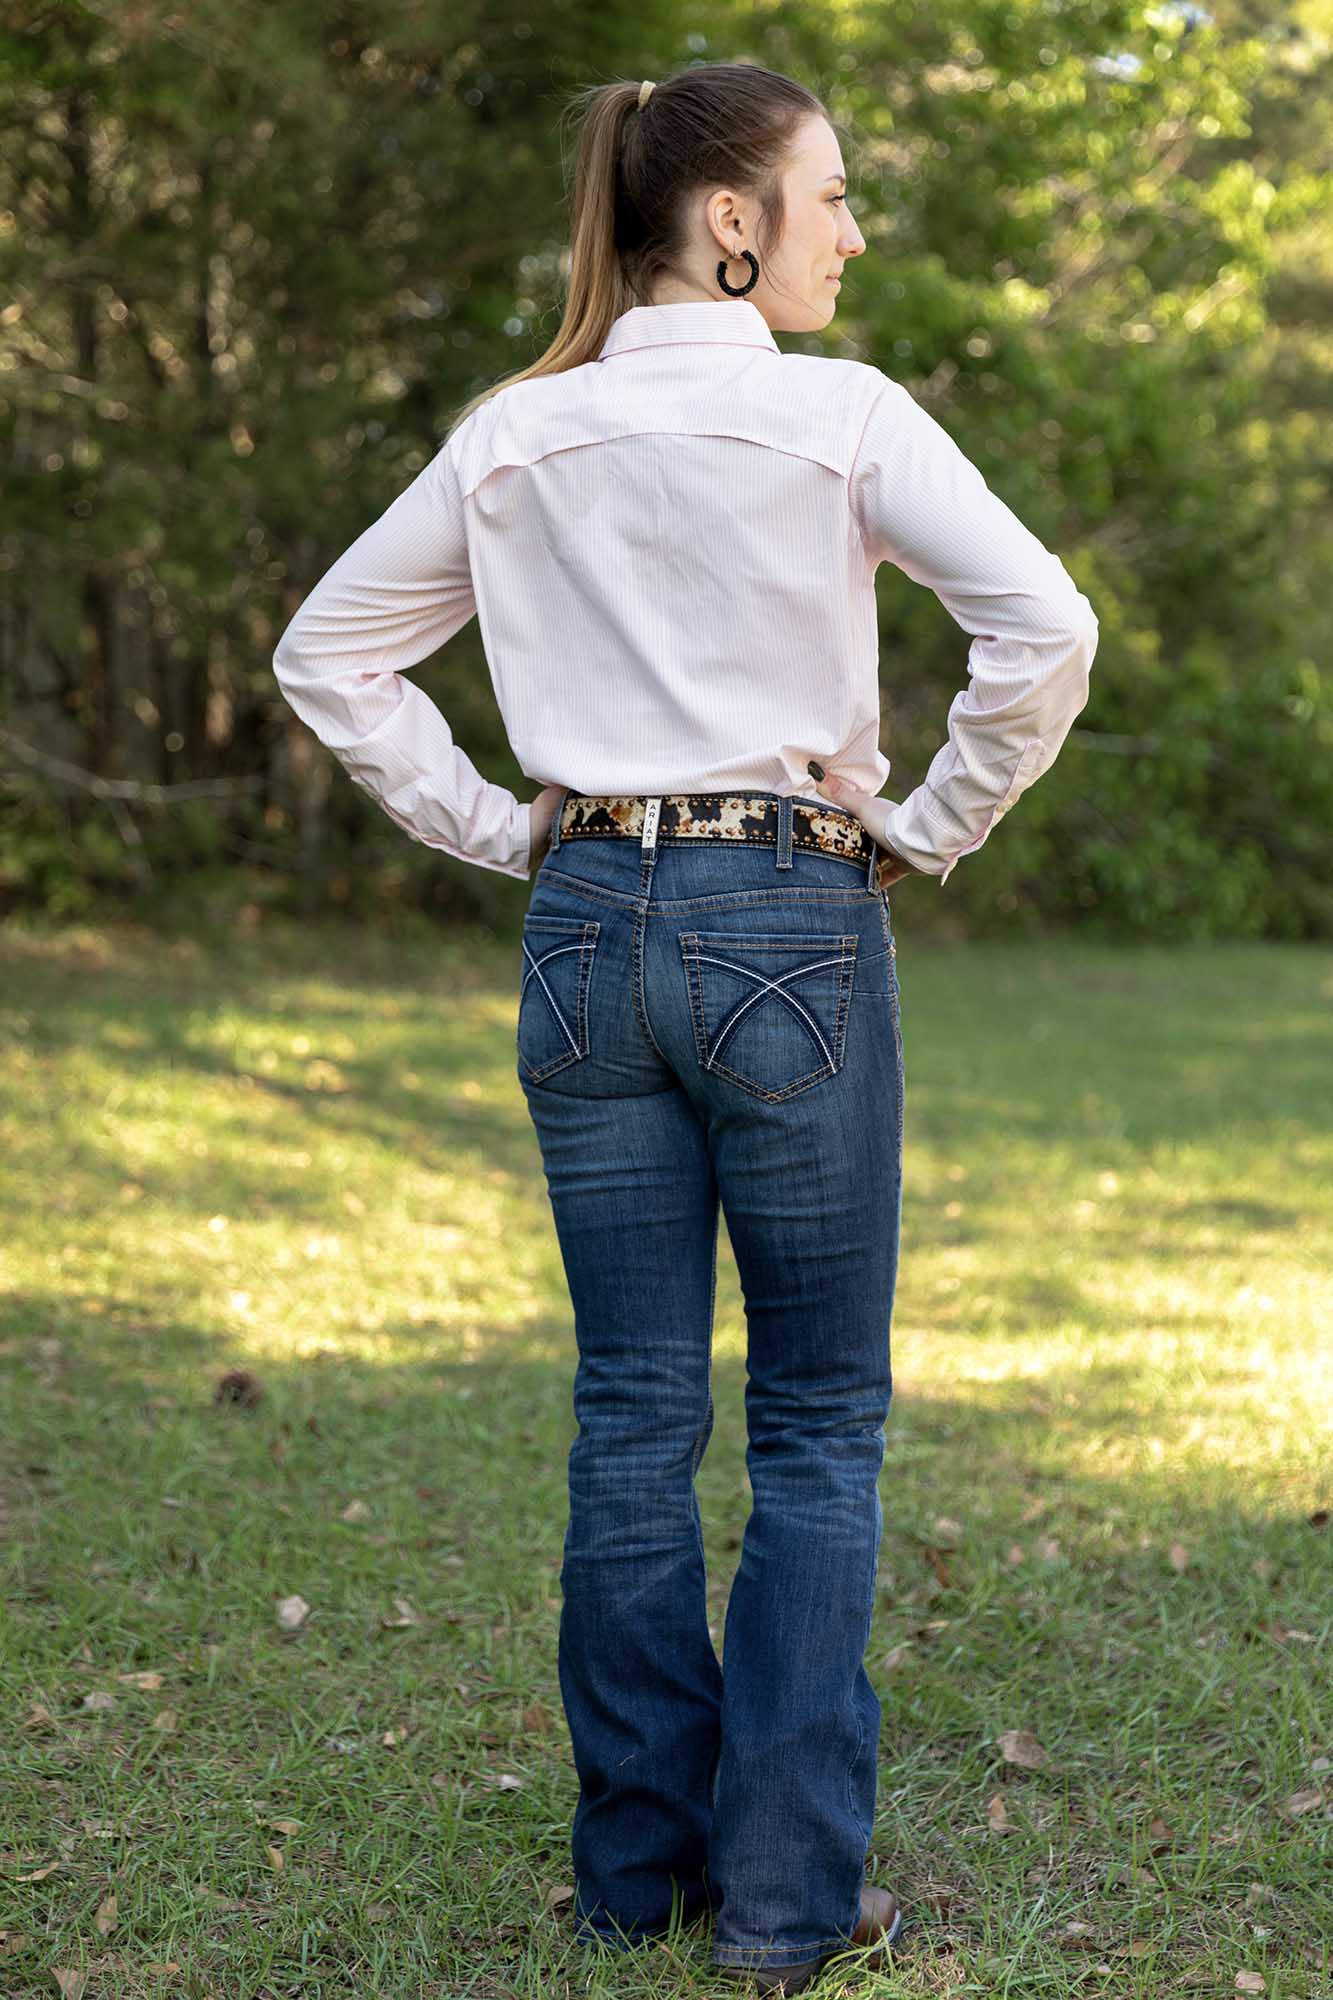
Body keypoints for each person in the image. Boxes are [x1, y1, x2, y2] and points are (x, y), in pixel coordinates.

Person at [271, 58, 1099, 1996]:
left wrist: (507, 830)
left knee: (632, 1409)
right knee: (814, 1421)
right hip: (785, 916)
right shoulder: (837, 417)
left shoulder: (514, 431)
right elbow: (1041, 630)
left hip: (583, 930)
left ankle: (633, 1883)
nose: (850, 228)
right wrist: (923, 829)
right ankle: (792, 1908)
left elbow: (332, 655)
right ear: (728, 223)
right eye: (829, 194)